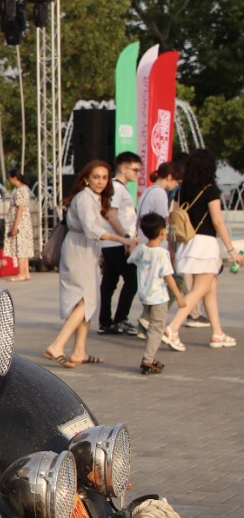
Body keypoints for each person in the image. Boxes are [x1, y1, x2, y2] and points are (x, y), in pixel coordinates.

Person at [43, 161, 135, 368]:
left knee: (90, 300)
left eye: (104, 177)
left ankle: (79, 351)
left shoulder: (95, 198)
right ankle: (57, 345)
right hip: (79, 250)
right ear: (86, 178)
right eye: (96, 177)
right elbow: (92, 229)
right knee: (85, 300)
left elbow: (105, 221)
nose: (101, 181)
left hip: (86, 249)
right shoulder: (84, 197)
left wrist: (123, 237)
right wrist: (123, 240)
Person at [159, 149, 240, 350]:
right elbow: (218, 222)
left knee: (210, 286)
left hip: (188, 243)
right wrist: (232, 251)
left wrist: (171, 246)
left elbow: (174, 216)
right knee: (201, 288)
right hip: (205, 244)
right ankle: (173, 327)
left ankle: (217, 333)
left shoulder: (183, 188)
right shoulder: (211, 189)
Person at [130, 213, 181, 375]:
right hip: (159, 296)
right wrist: (179, 296)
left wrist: (133, 245)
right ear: (161, 232)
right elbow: (168, 276)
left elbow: (130, 259)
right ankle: (148, 360)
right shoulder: (162, 253)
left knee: (151, 321)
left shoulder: (141, 249)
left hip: (145, 294)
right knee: (157, 329)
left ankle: (143, 324)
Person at [97, 152, 142, 336]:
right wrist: (126, 237)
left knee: (109, 282)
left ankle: (106, 321)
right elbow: (111, 214)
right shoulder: (116, 188)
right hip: (117, 243)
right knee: (132, 280)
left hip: (112, 243)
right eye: (135, 170)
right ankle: (119, 319)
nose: (137, 174)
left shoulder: (117, 188)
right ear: (124, 168)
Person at [4, 168, 35, 281]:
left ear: (14, 178)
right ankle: (26, 272)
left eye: (10, 179)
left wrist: (15, 226)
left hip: (20, 223)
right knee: (24, 247)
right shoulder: (25, 189)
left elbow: (20, 209)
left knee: (20, 248)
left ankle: (22, 273)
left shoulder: (20, 190)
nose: (9, 181)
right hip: (25, 222)